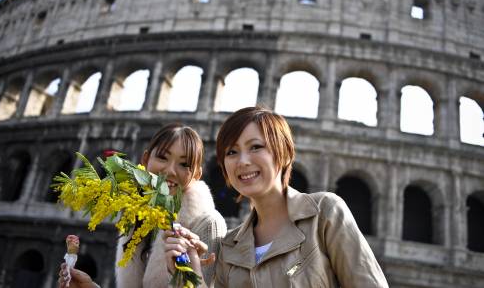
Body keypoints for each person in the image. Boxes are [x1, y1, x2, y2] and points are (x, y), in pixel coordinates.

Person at [164, 106, 389, 287]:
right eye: (231, 152)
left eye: (255, 147)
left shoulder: (324, 213)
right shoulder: (229, 247)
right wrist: (190, 276)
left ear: (284, 154)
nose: (242, 161)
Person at [58, 123, 227, 288]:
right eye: (162, 157)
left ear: (196, 174)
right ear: (145, 159)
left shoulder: (209, 224)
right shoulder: (137, 219)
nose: (170, 170)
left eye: (184, 164)